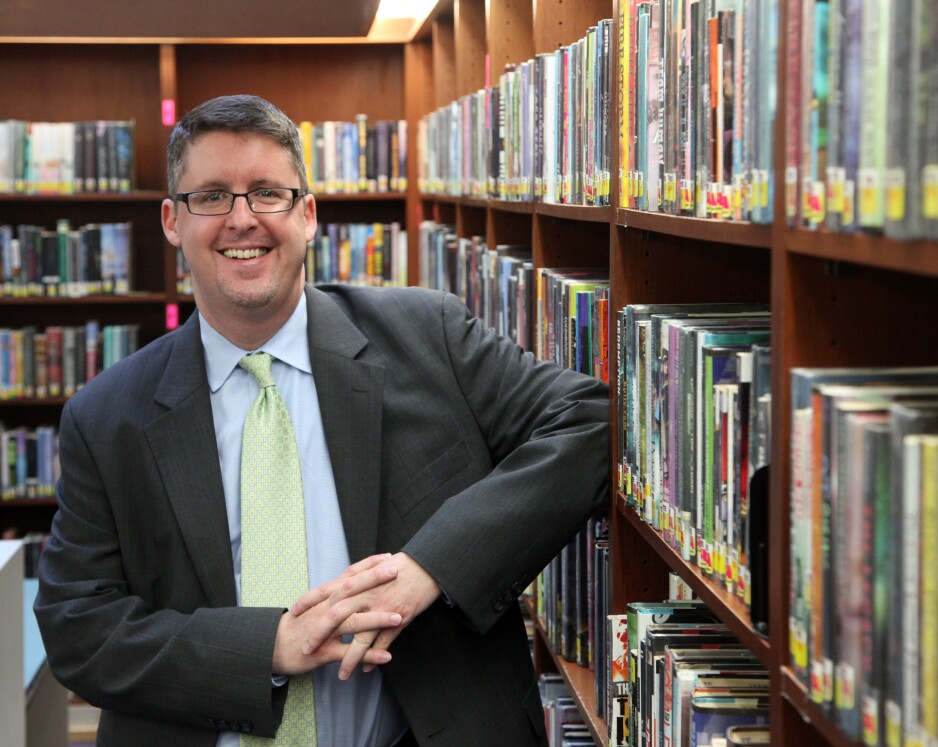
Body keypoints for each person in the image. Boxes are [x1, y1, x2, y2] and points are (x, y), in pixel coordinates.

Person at [34, 94, 609, 747]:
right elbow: (79, 628)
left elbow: (589, 421)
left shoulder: (429, 336)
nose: (242, 219)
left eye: (267, 193)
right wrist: (265, 648)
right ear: (173, 221)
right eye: (212, 196)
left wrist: (431, 567)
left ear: (307, 215)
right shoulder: (106, 417)